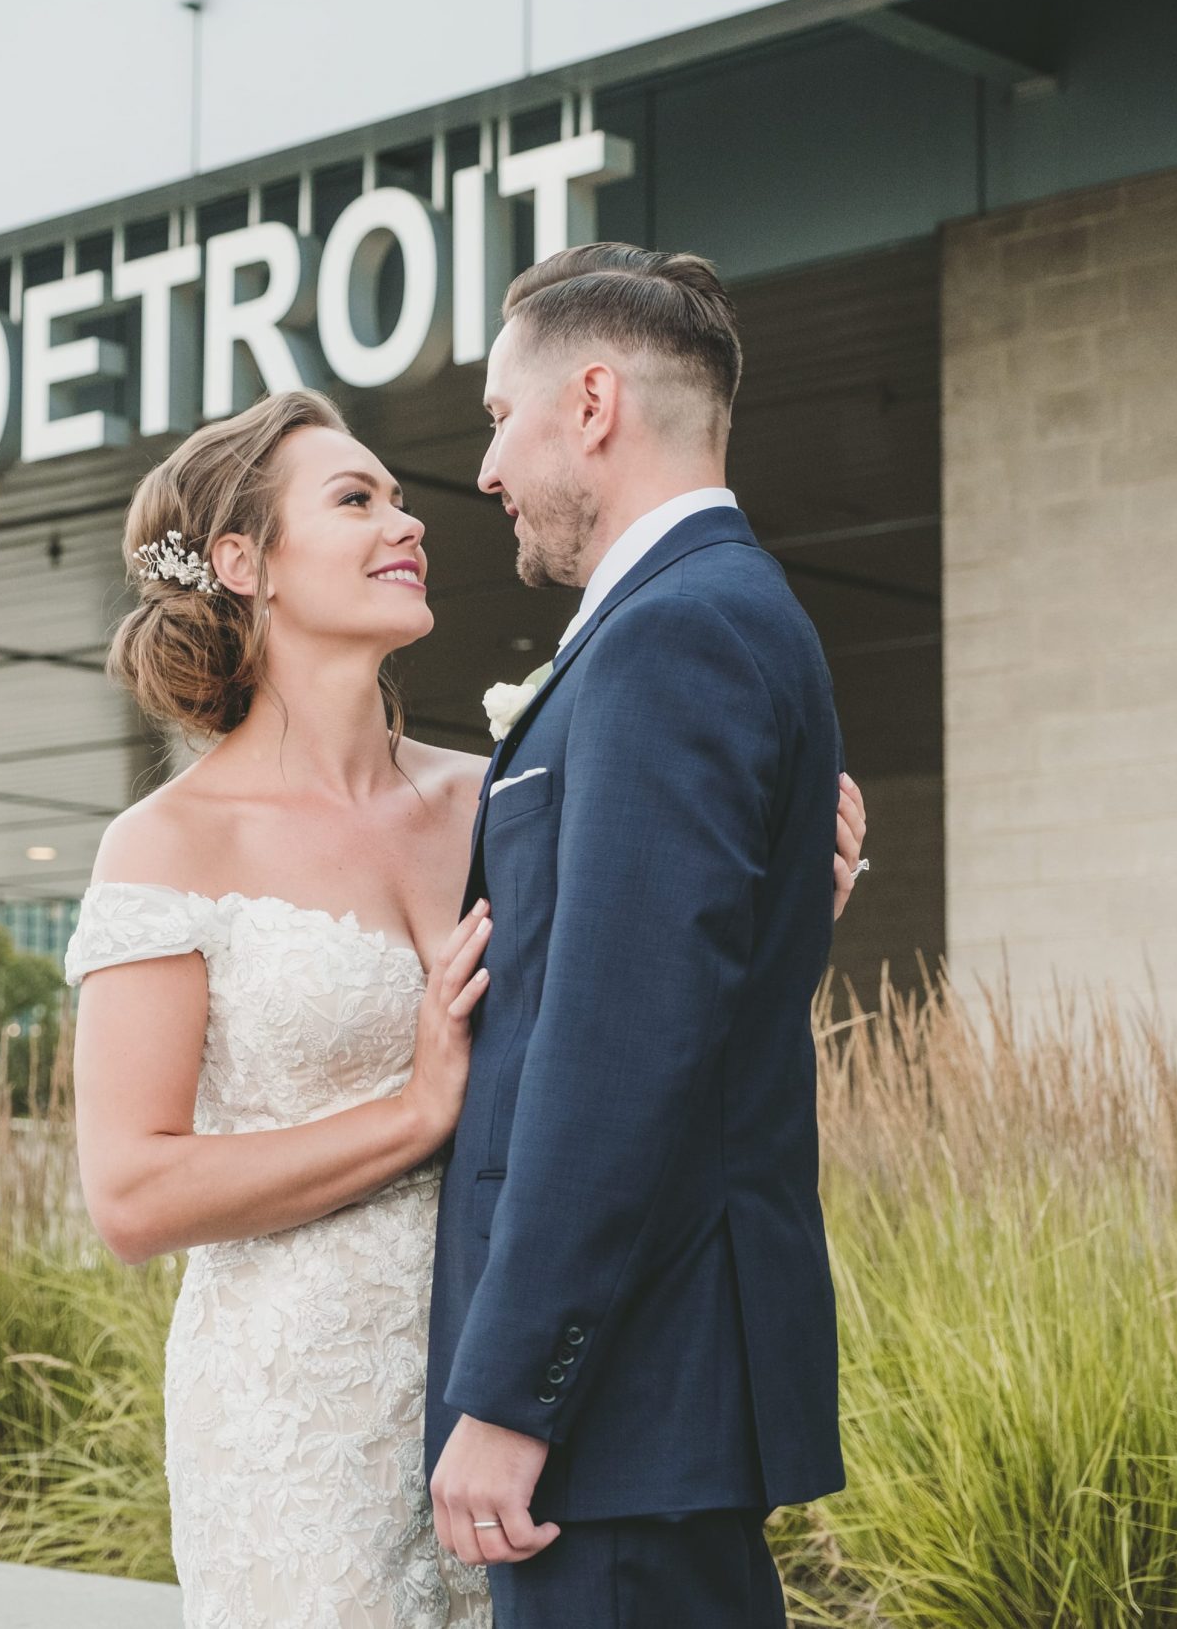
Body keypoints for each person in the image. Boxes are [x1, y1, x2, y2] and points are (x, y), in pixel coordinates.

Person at [66, 322, 865, 1623]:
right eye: (355, 498)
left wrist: (777, 906)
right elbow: (133, 1191)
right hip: (302, 1401)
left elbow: (629, 1017)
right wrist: (413, 1113)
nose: (411, 519)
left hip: (519, 1368)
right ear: (240, 563)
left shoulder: (492, 792)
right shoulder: (167, 845)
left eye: (399, 493)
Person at [424, 243, 848, 1626]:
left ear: (591, 402)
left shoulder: (678, 637)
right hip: (648, 1406)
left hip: (619, 1411)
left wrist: (513, 1395)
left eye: (499, 417)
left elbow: (620, 1053)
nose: (486, 470)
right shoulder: (711, 617)